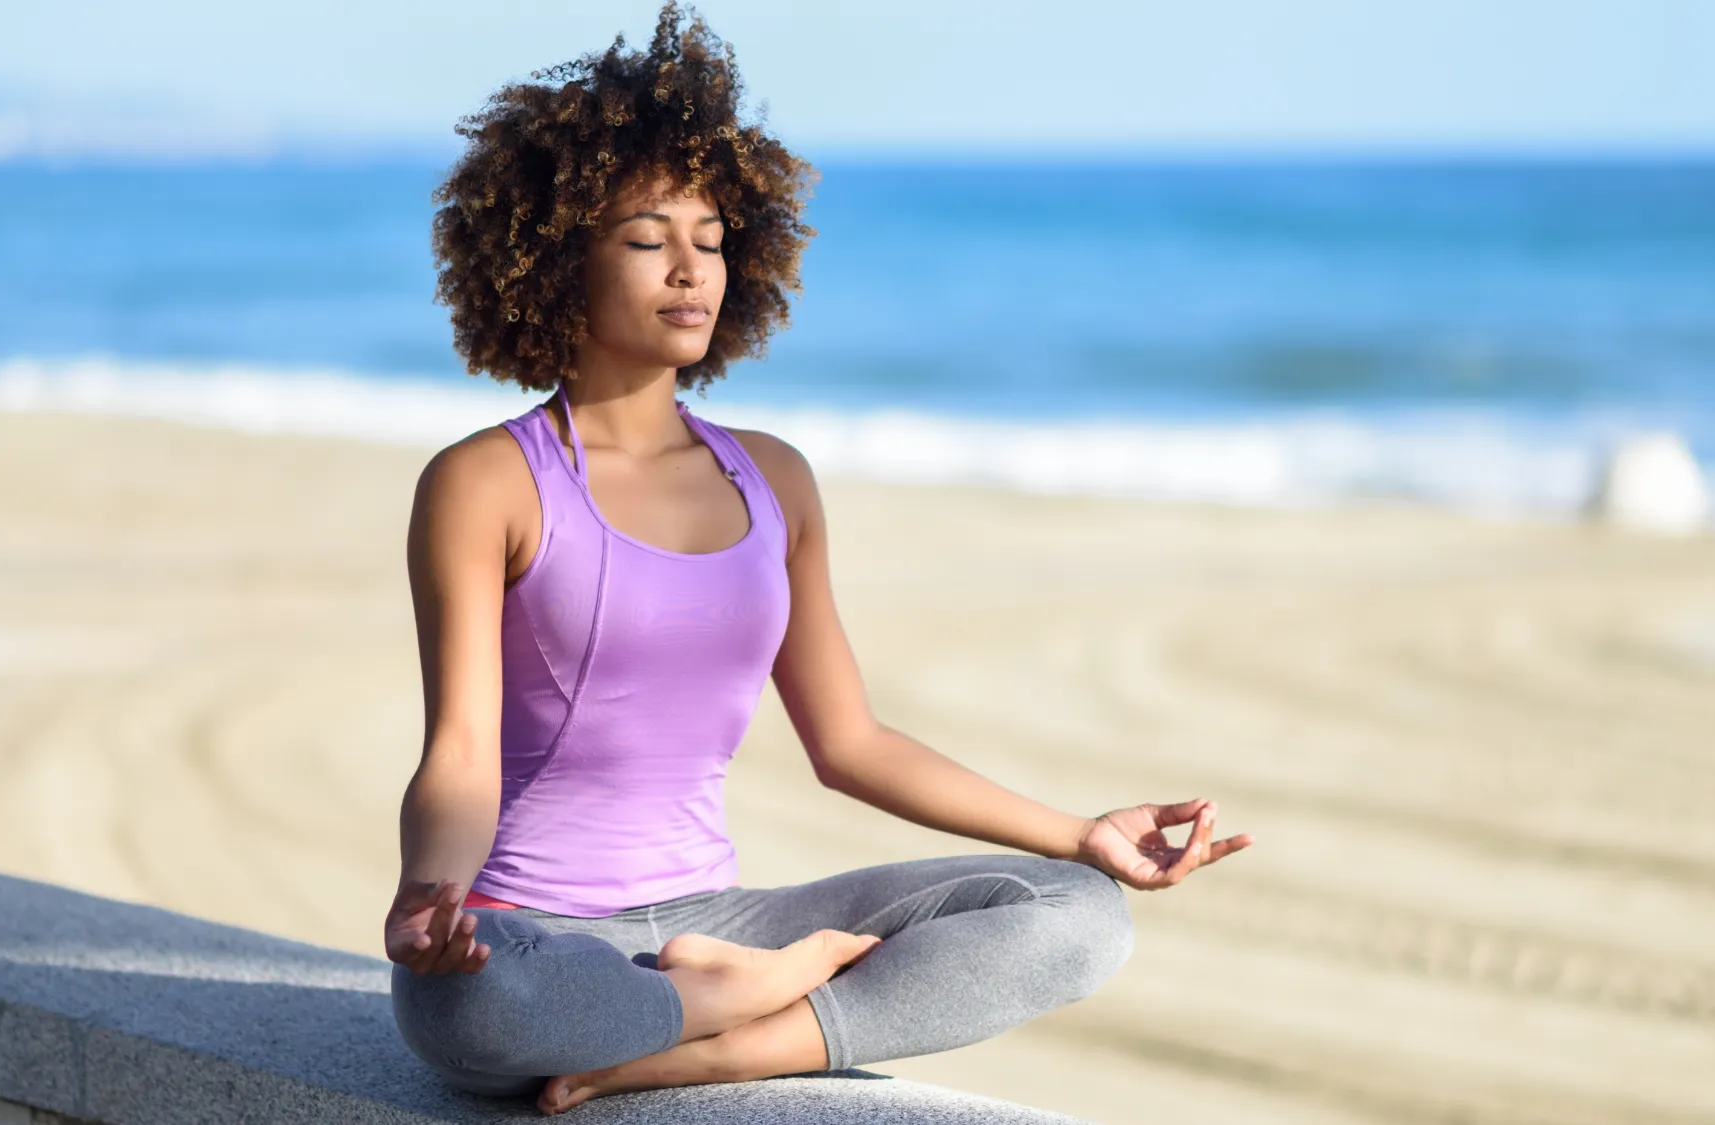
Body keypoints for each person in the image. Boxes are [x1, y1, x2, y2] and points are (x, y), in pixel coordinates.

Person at [384, 4, 1254, 1115]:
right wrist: (430, 896)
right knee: (470, 1015)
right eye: (649, 240)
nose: (690, 270)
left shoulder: (774, 481)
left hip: (717, 920)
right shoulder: (487, 482)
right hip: (540, 936)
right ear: (558, 262)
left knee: (1080, 916)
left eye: (709, 240)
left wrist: (1082, 834)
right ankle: (744, 1003)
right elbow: (459, 751)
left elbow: (848, 744)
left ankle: (710, 1041)